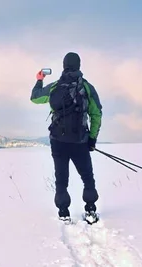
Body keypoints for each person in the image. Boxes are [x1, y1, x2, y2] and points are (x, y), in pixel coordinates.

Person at [30, 52, 102, 224]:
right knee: (87, 177)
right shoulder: (86, 87)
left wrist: (39, 79)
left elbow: (35, 97)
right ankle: (90, 209)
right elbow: (96, 114)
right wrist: (92, 139)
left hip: (58, 141)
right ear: (79, 65)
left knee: (61, 178)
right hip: (80, 141)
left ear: (64, 66)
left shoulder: (55, 86)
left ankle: (64, 212)